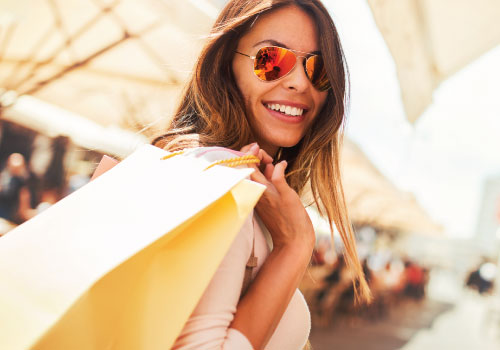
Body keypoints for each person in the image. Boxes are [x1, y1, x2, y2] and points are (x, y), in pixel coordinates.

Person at [152, 1, 371, 349]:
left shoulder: (245, 193)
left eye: (319, 69)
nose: (300, 82)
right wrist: (295, 247)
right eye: (271, 59)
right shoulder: (218, 183)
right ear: (226, 65)